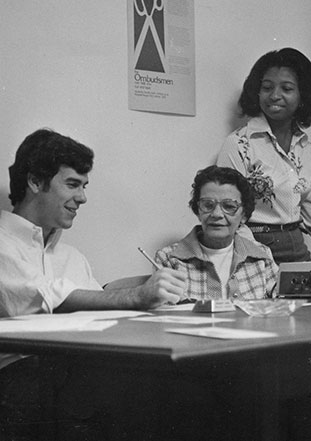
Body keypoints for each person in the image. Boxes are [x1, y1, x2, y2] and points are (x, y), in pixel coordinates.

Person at [0, 128, 186, 440]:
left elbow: (95, 306)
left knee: (173, 384)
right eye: (72, 184)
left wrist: (152, 288)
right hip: (16, 381)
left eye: (84, 186)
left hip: (67, 378)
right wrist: (138, 296)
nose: (83, 198)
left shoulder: (72, 256)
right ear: (34, 182)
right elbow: (47, 296)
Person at [216, 47, 311, 264]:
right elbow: (230, 215)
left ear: (303, 95)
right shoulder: (238, 144)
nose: (274, 95)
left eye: (286, 88)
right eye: (267, 87)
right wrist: (264, 260)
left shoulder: (306, 149)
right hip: (252, 250)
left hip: (297, 248)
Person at [152, 165, 278, 300]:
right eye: (208, 205)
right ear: (198, 210)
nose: (217, 214)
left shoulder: (262, 255)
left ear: (244, 215)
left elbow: (280, 305)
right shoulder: (168, 259)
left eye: (229, 206)